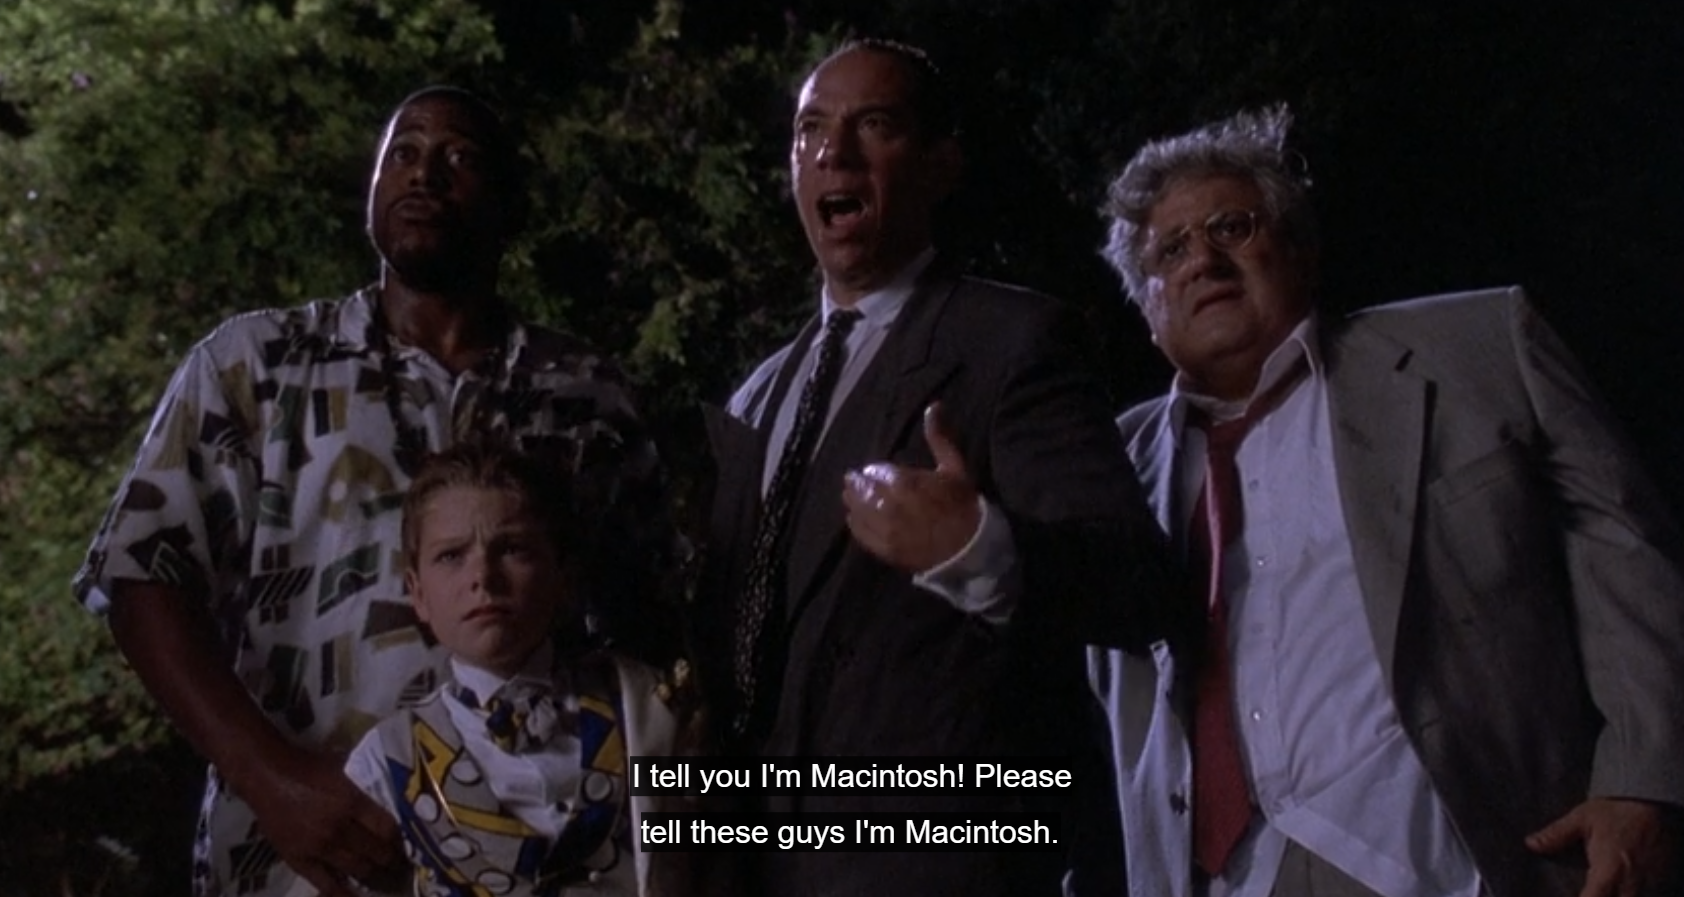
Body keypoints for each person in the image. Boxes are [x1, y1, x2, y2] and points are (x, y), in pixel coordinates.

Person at [73, 86, 664, 897]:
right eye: (403, 154)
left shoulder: (583, 394)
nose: (425, 174)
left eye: (459, 157)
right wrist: (270, 776)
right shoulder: (259, 364)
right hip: (303, 860)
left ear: (511, 204)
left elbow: (645, 623)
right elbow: (142, 577)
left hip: (538, 863)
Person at [1086, 104, 1684, 897]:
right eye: (1171, 249)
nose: (1203, 259)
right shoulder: (1106, 467)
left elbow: (1628, 558)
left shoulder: (1479, 348)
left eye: (1232, 227)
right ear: (1147, 308)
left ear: (1299, 250)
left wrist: (1644, 781)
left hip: (1458, 855)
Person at [692, 39, 1179, 897]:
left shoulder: (1014, 342)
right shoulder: (758, 396)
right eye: (811, 130)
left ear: (941, 163)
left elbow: (1137, 582)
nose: (834, 153)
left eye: (874, 125)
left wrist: (983, 549)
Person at [334, 441, 689, 897]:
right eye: (451, 556)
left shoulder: (646, 709)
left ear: (563, 576)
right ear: (418, 593)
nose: (483, 577)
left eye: (513, 549)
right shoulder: (387, 763)